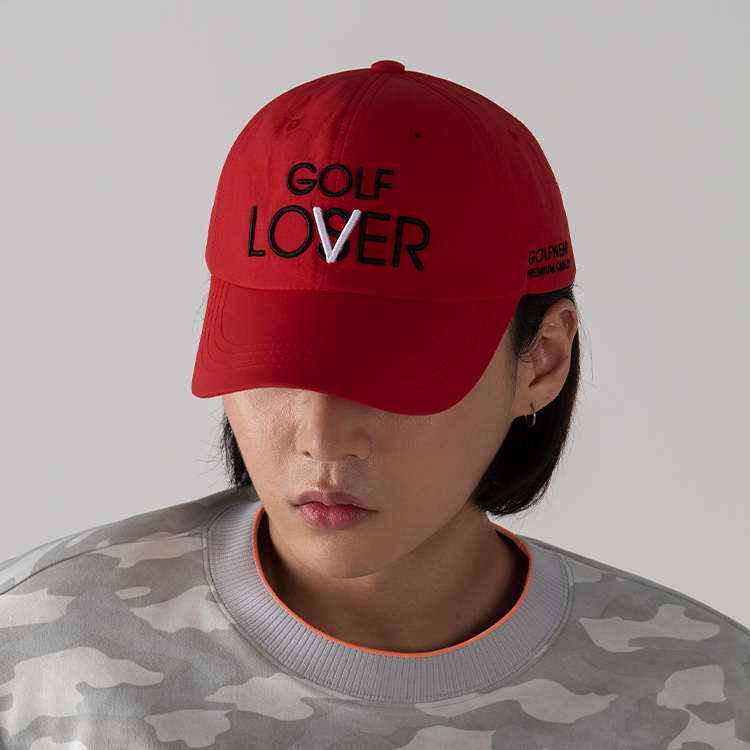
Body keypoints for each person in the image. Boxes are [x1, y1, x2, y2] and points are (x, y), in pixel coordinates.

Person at [0, 61, 748, 750]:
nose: (323, 438)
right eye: (277, 363)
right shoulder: (31, 650)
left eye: (394, 375)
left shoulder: (709, 698)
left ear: (543, 359)